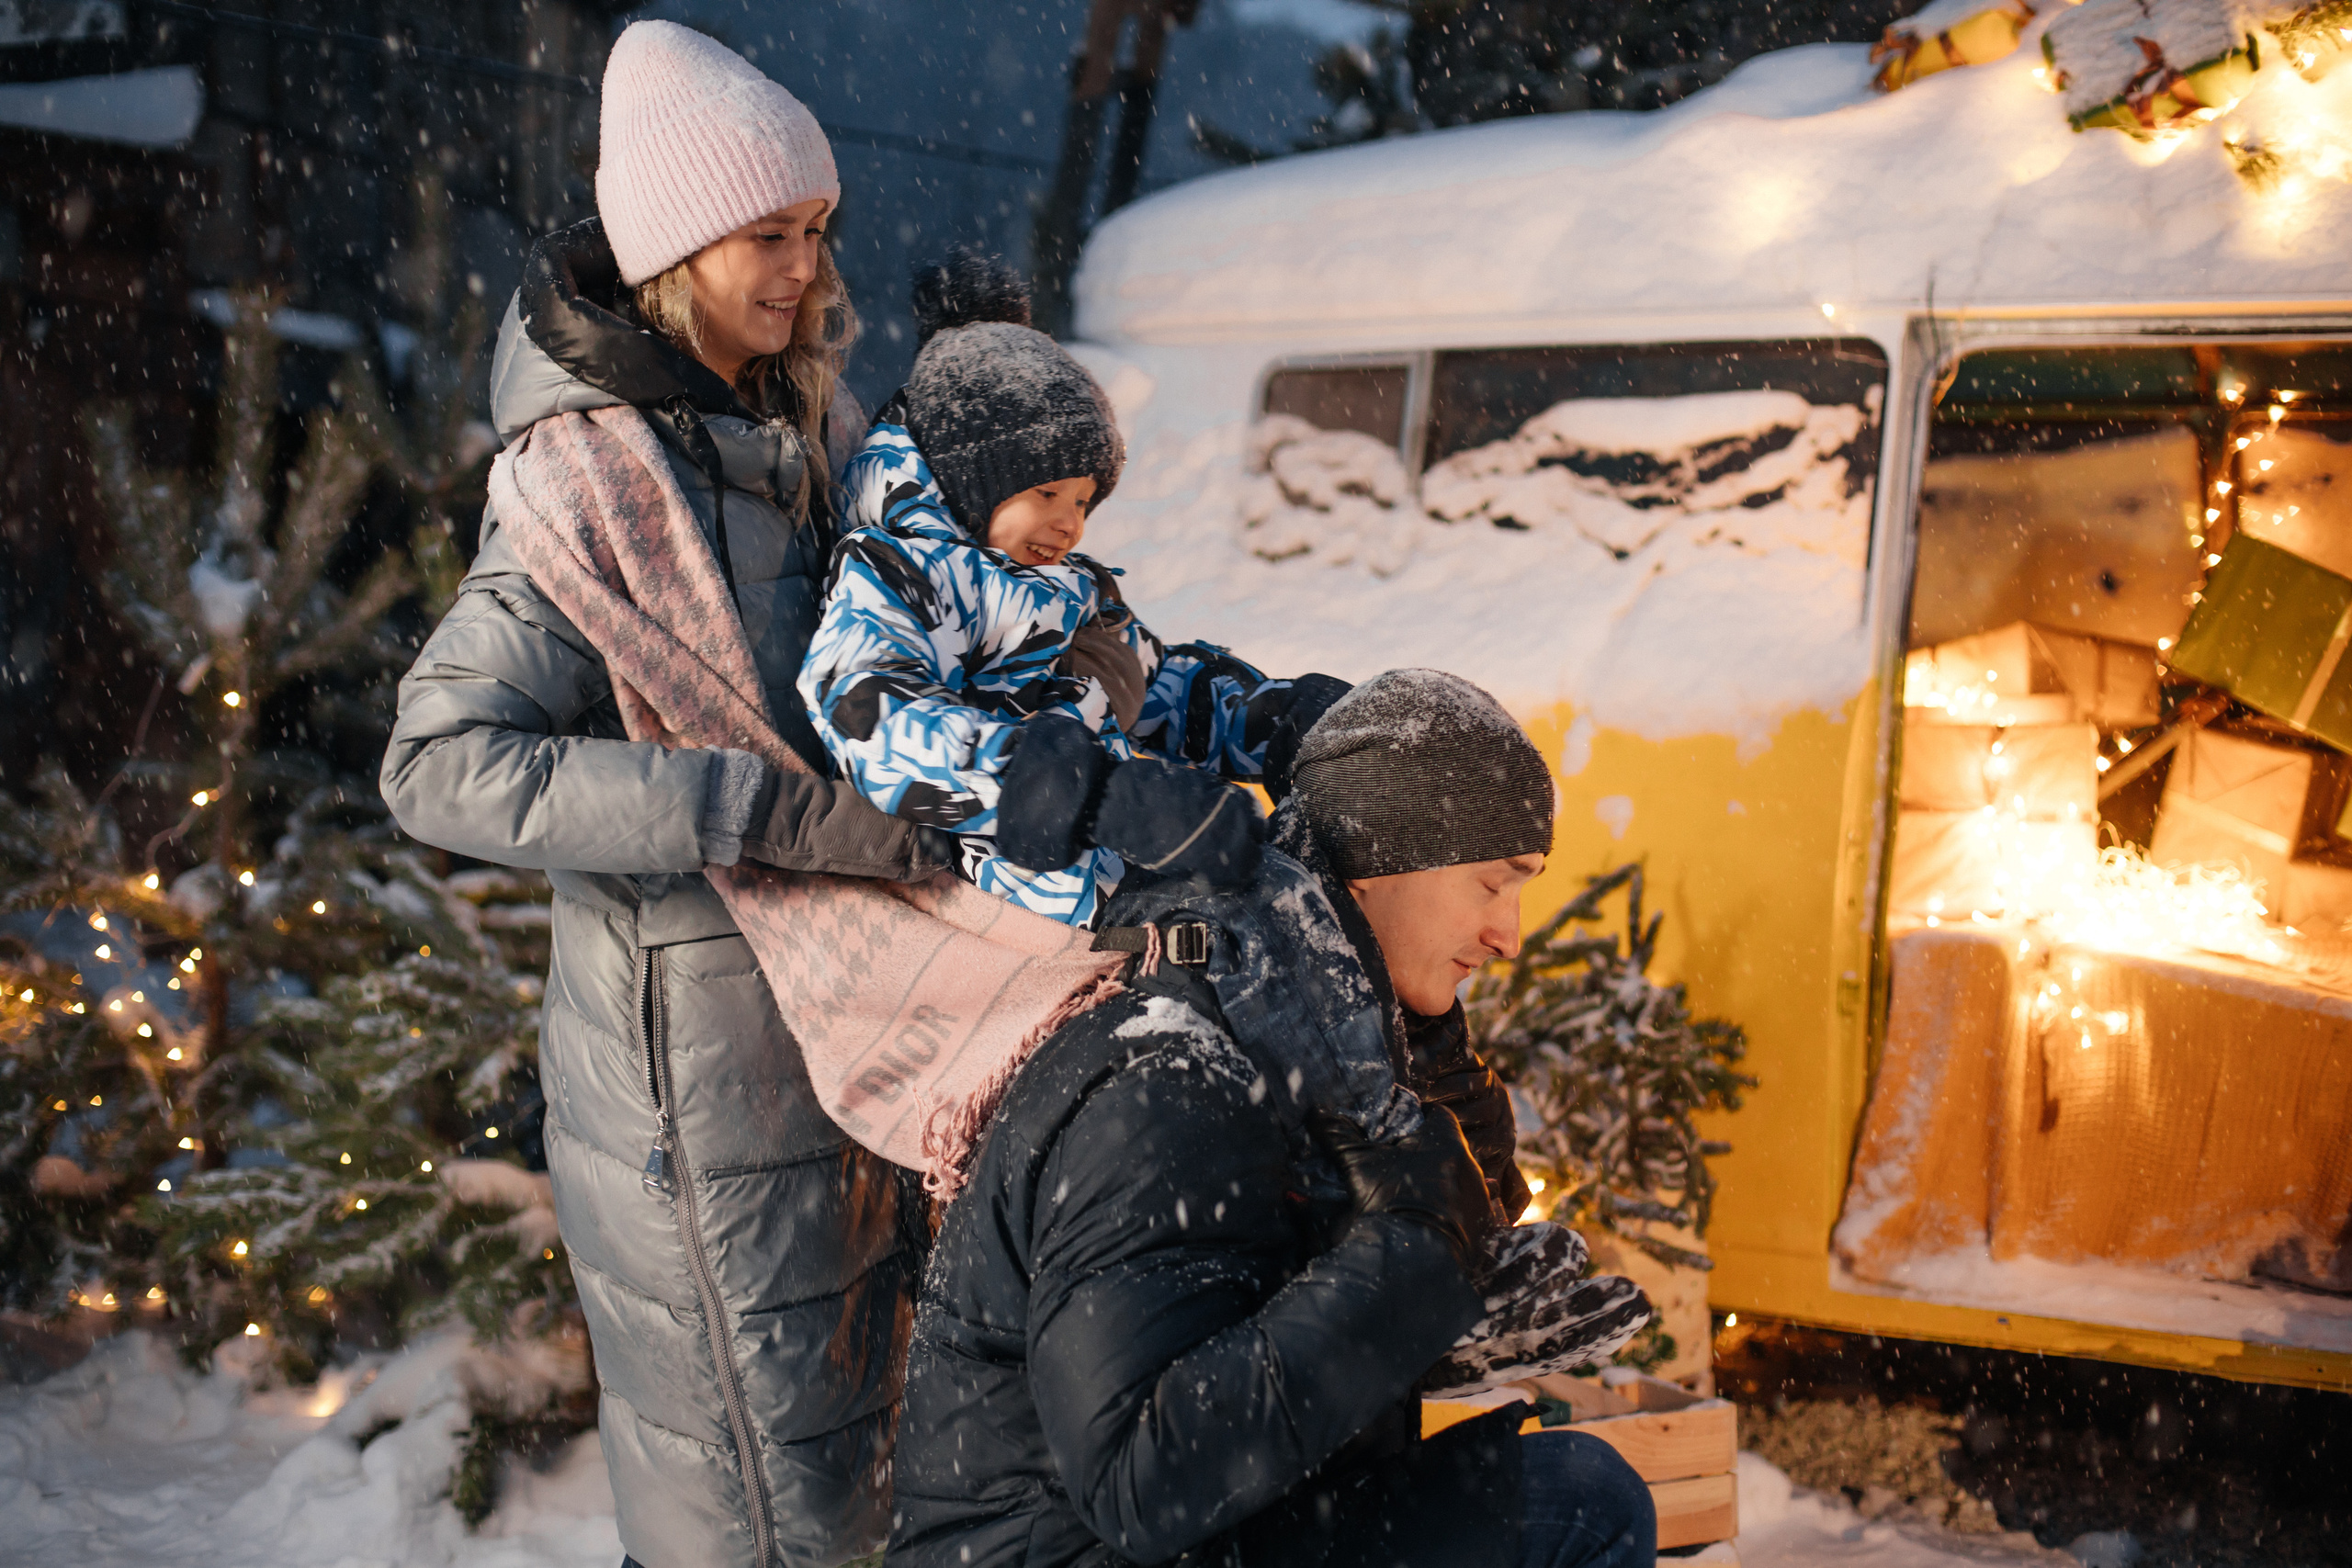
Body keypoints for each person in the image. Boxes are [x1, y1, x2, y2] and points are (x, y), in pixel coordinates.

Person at [380, 22, 942, 1568]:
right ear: (676, 248)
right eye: (768, 235)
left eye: (816, 232)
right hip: (687, 1093)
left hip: (831, 1030)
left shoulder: (802, 437)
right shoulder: (586, 484)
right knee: (755, 1507)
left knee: (848, 1489)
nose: (804, 271)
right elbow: (436, 761)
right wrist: (747, 814)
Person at [888, 670, 1659, 1568]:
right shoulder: (1174, 1082)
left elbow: (1452, 1213)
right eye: (1491, 885)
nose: (1509, 935)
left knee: (1569, 1494)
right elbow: (1140, 1482)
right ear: (1381, 865)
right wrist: (1408, 1262)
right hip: (1090, 1552)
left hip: (1235, 1529)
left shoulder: (1323, 1042)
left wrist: (1427, 1047)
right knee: (1576, 1504)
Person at [798, 251, 1350, 928]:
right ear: (971, 480)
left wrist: (1272, 719)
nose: (1070, 523)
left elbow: (1156, 682)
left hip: (1111, 874)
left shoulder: (1064, 589)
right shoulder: (901, 572)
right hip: (1004, 904)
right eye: (1047, 491)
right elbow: (871, 716)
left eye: (1086, 501)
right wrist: (1092, 798)